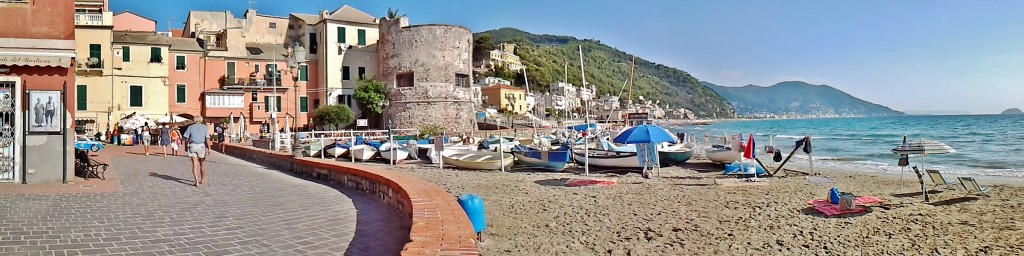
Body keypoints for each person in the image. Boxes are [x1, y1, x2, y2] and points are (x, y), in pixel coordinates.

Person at [182, 116, 211, 187]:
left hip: (192, 146)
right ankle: (203, 179)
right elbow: (207, 139)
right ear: (201, 120)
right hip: (201, 146)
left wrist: (186, 146)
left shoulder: (190, 127)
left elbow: (186, 138)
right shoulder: (205, 127)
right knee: (202, 163)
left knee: (195, 165)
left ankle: (196, 181)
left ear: (194, 120)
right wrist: (209, 148)